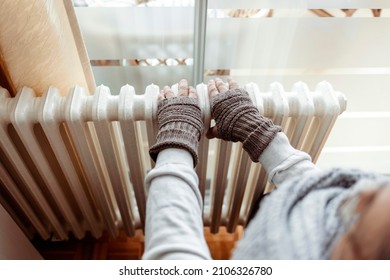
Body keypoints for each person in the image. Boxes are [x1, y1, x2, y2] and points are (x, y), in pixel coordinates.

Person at [142, 78, 390, 260]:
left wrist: (177, 134)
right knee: (274, 200)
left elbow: (173, 260)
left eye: (360, 216)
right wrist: (255, 131)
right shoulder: (317, 228)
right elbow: (318, 194)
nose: (364, 191)